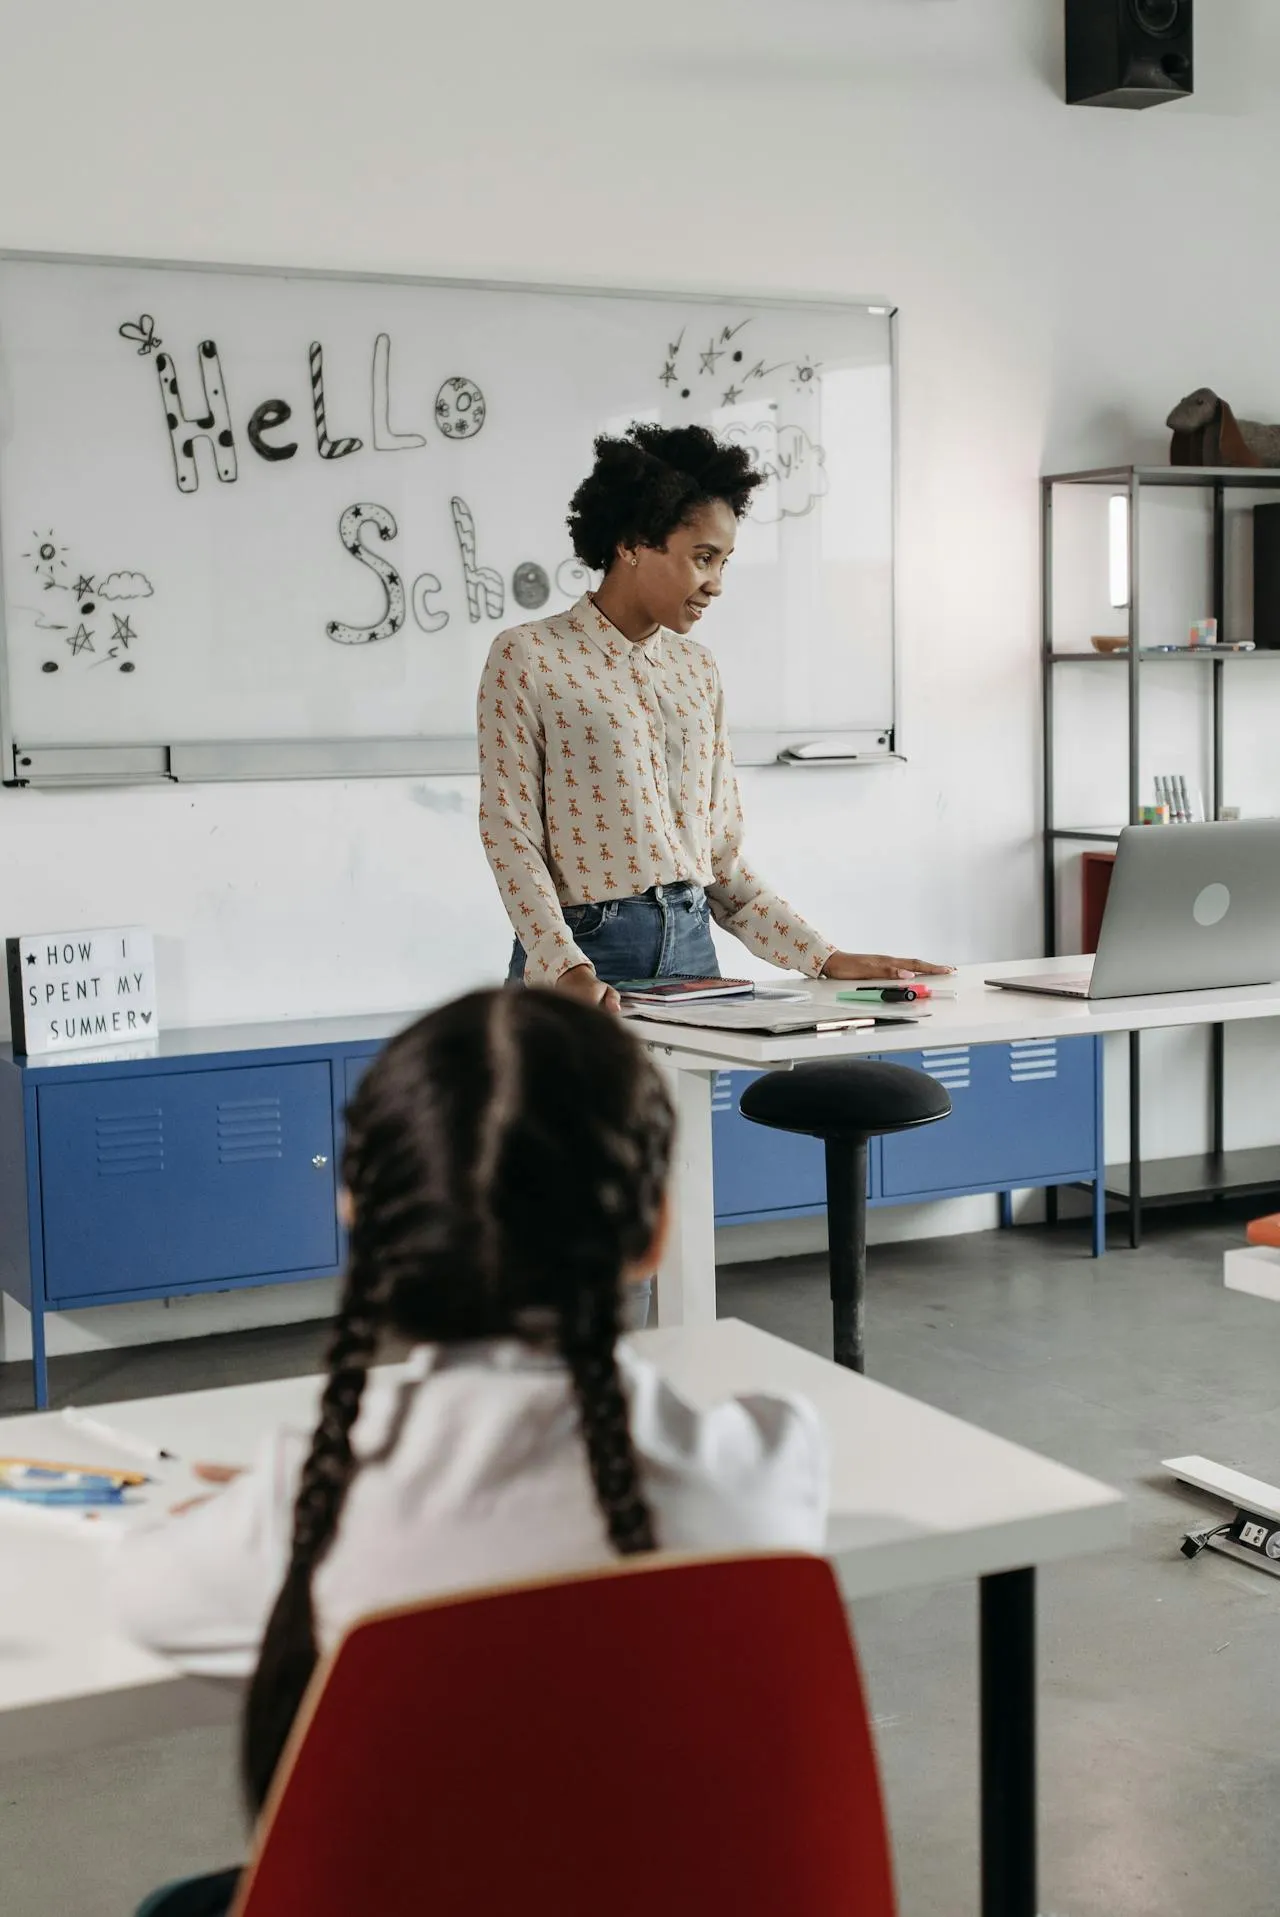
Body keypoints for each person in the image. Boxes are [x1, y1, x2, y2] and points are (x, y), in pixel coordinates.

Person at [109, 988, 826, 1910]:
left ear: (362, 1219)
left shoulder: (303, 1505)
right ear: (652, 1233)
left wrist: (264, 1498)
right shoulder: (765, 1458)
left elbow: (141, 1600)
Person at [477, 420, 948, 1015]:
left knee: (683, 1113)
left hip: (694, 951)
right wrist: (564, 966)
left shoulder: (696, 670)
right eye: (703, 558)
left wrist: (823, 956)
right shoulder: (529, 656)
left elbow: (719, 859)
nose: (716, 584)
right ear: (631, 544)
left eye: (724, 562)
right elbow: (511, 833)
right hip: (583, 956)